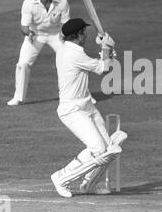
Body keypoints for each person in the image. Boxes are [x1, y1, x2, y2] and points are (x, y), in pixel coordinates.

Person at [50, 18, 127, 198]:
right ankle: (61, 178)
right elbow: (103, 69)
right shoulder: (73, 54)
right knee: (98, 149)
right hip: (72, 110)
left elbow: (102, 63)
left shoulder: (66, 47)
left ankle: (89, 185)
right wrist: (106, 49)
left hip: (86, 106)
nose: (86, 35)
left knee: (108, 149)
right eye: (84, 33)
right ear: (77, 36)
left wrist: (105, 50)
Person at [7, 0, 70, 106]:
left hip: (56, 35)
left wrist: (64, 36)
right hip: (35, 35)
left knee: (71, 62)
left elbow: (66, 24)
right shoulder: (29, 2)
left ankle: (80, 95)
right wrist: (29, 33)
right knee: (22, 64)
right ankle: (18, 98)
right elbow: (24, 26)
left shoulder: (62, 1)